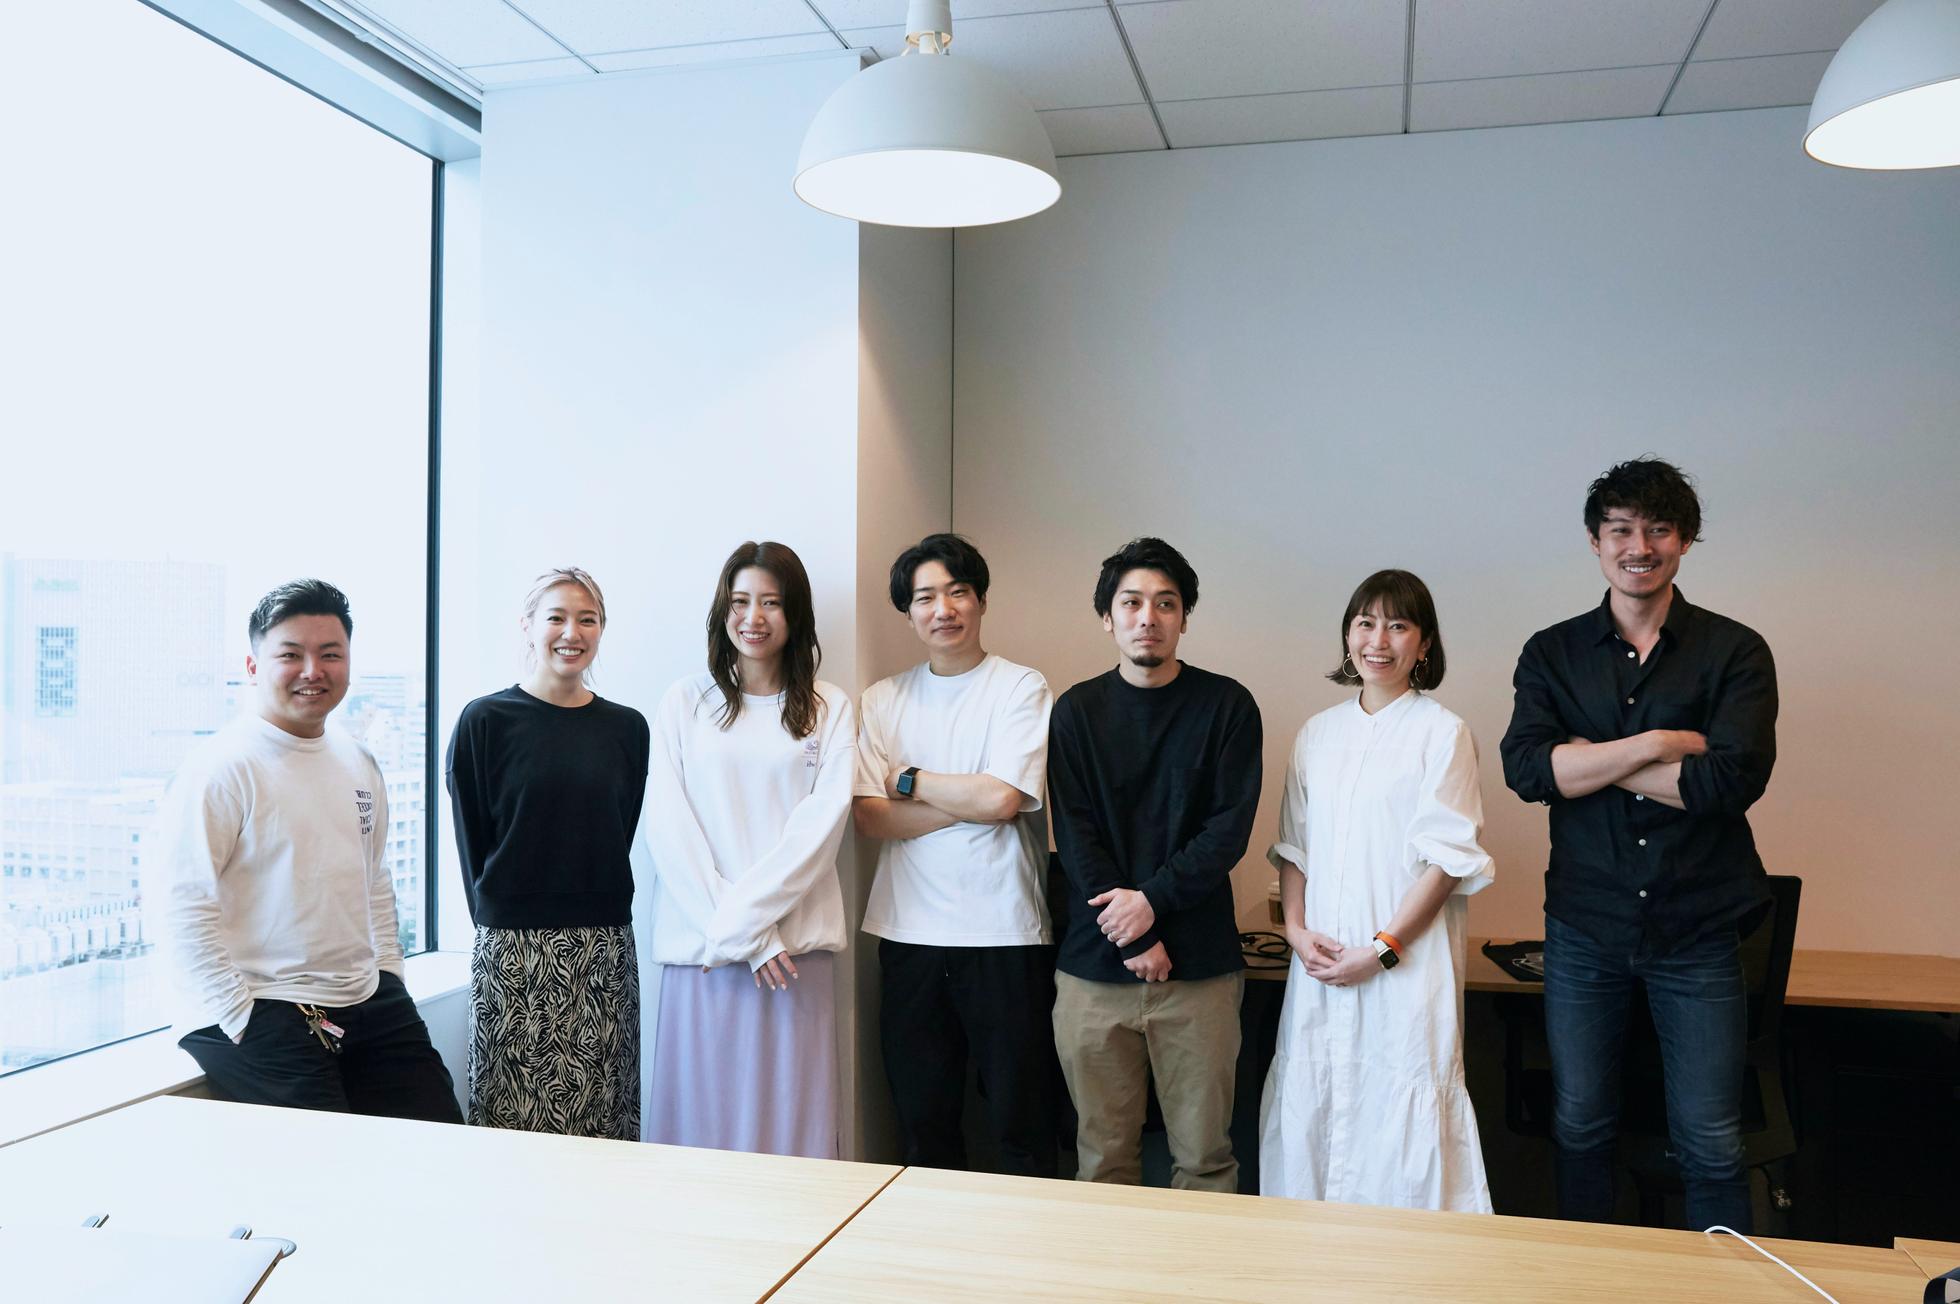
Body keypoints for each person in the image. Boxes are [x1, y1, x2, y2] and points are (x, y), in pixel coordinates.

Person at [1500, 457, 1777, 1232]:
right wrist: (1657, 744)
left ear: (1684, 540)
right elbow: (1528, 770)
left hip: (1698, 928)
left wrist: (1587, 760)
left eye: (1658, 529)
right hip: (1585, 927)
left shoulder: (1735, 651)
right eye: (1621, 529)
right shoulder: (1552, 653)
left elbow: (1728, 783)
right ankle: (1589, 1280)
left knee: (1711, 1140)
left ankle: (1722, 1283)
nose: (1639, 547)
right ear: (1596, 542)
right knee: (1580, 1125)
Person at [161, 579, 460, 1121]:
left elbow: (373, 878)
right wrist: (237, 1015)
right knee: (331, 1161)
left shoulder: (357, 759)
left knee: (442, 1140)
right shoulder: (223, 767)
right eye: (290, 655)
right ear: (253, 667)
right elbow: (181, 905)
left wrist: (389, 973)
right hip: (264, 1003)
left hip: (365, 996)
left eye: (330, 654)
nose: (312, 671)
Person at [1257, 569, 1495, 1212]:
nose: (1378, 640)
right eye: (1365, 623)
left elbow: (1447, 861)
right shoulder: (1317, 733)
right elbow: (1294, 846)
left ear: (1425, 643)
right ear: (1347, 635)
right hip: (1320, 962)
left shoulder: (1442, 733)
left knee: (1400, 1104)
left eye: (1398, 625)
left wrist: (1383, 948)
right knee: (1317, 1099)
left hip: (1404, 968)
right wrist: (1295, 930)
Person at [1047, 537, 1261, 1191]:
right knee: (1102, 1161)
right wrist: (1135, 933)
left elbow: (1226, 832)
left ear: (1184, 618)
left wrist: (1150, 904)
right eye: (1132, 602)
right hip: (1094, 971)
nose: (1149, 617)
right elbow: (1075, 836)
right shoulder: (1076, 711)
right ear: (1106, 618)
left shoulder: (1227, 707)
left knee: (1204, 1160)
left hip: (1200, 973)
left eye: (1166, 604)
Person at [854, 533, 1057, 1176]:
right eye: (925, 598)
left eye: (957, 592)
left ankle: (1029, 1236)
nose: (942, 609)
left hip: (1005, 933)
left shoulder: (1021, 687)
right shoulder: (882, 699)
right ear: (908, 612)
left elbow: (1003, 798)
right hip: (908, 934)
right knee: (923, 1127)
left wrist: (909, 779)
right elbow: (869, 817)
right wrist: (975, 800)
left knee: (1021, 1122)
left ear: (981, 600)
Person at [644, 542, 856, 1158]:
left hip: (794, 958)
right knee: (699, 1139)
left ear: (795, 614)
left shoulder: (829, 707)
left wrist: (751, 928)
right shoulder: (686, 701)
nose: (753, 617)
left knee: (793, 1141)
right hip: (706, 955)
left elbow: (818, 832)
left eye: (771, 602)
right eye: (740, 602)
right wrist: (748, 937)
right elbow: (670, 831)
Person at [446, 567, 648, 1139]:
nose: (571, 632)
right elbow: (471, 843)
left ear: (602, 629)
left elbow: (618, 830)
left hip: (603, 949)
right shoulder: (485, 720)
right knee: (511, 1120)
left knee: (603, 1119)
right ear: (528, 626)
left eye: (588, 619)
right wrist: (504, 918)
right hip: (513, 951)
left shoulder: (628, 728)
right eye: (556, 617)